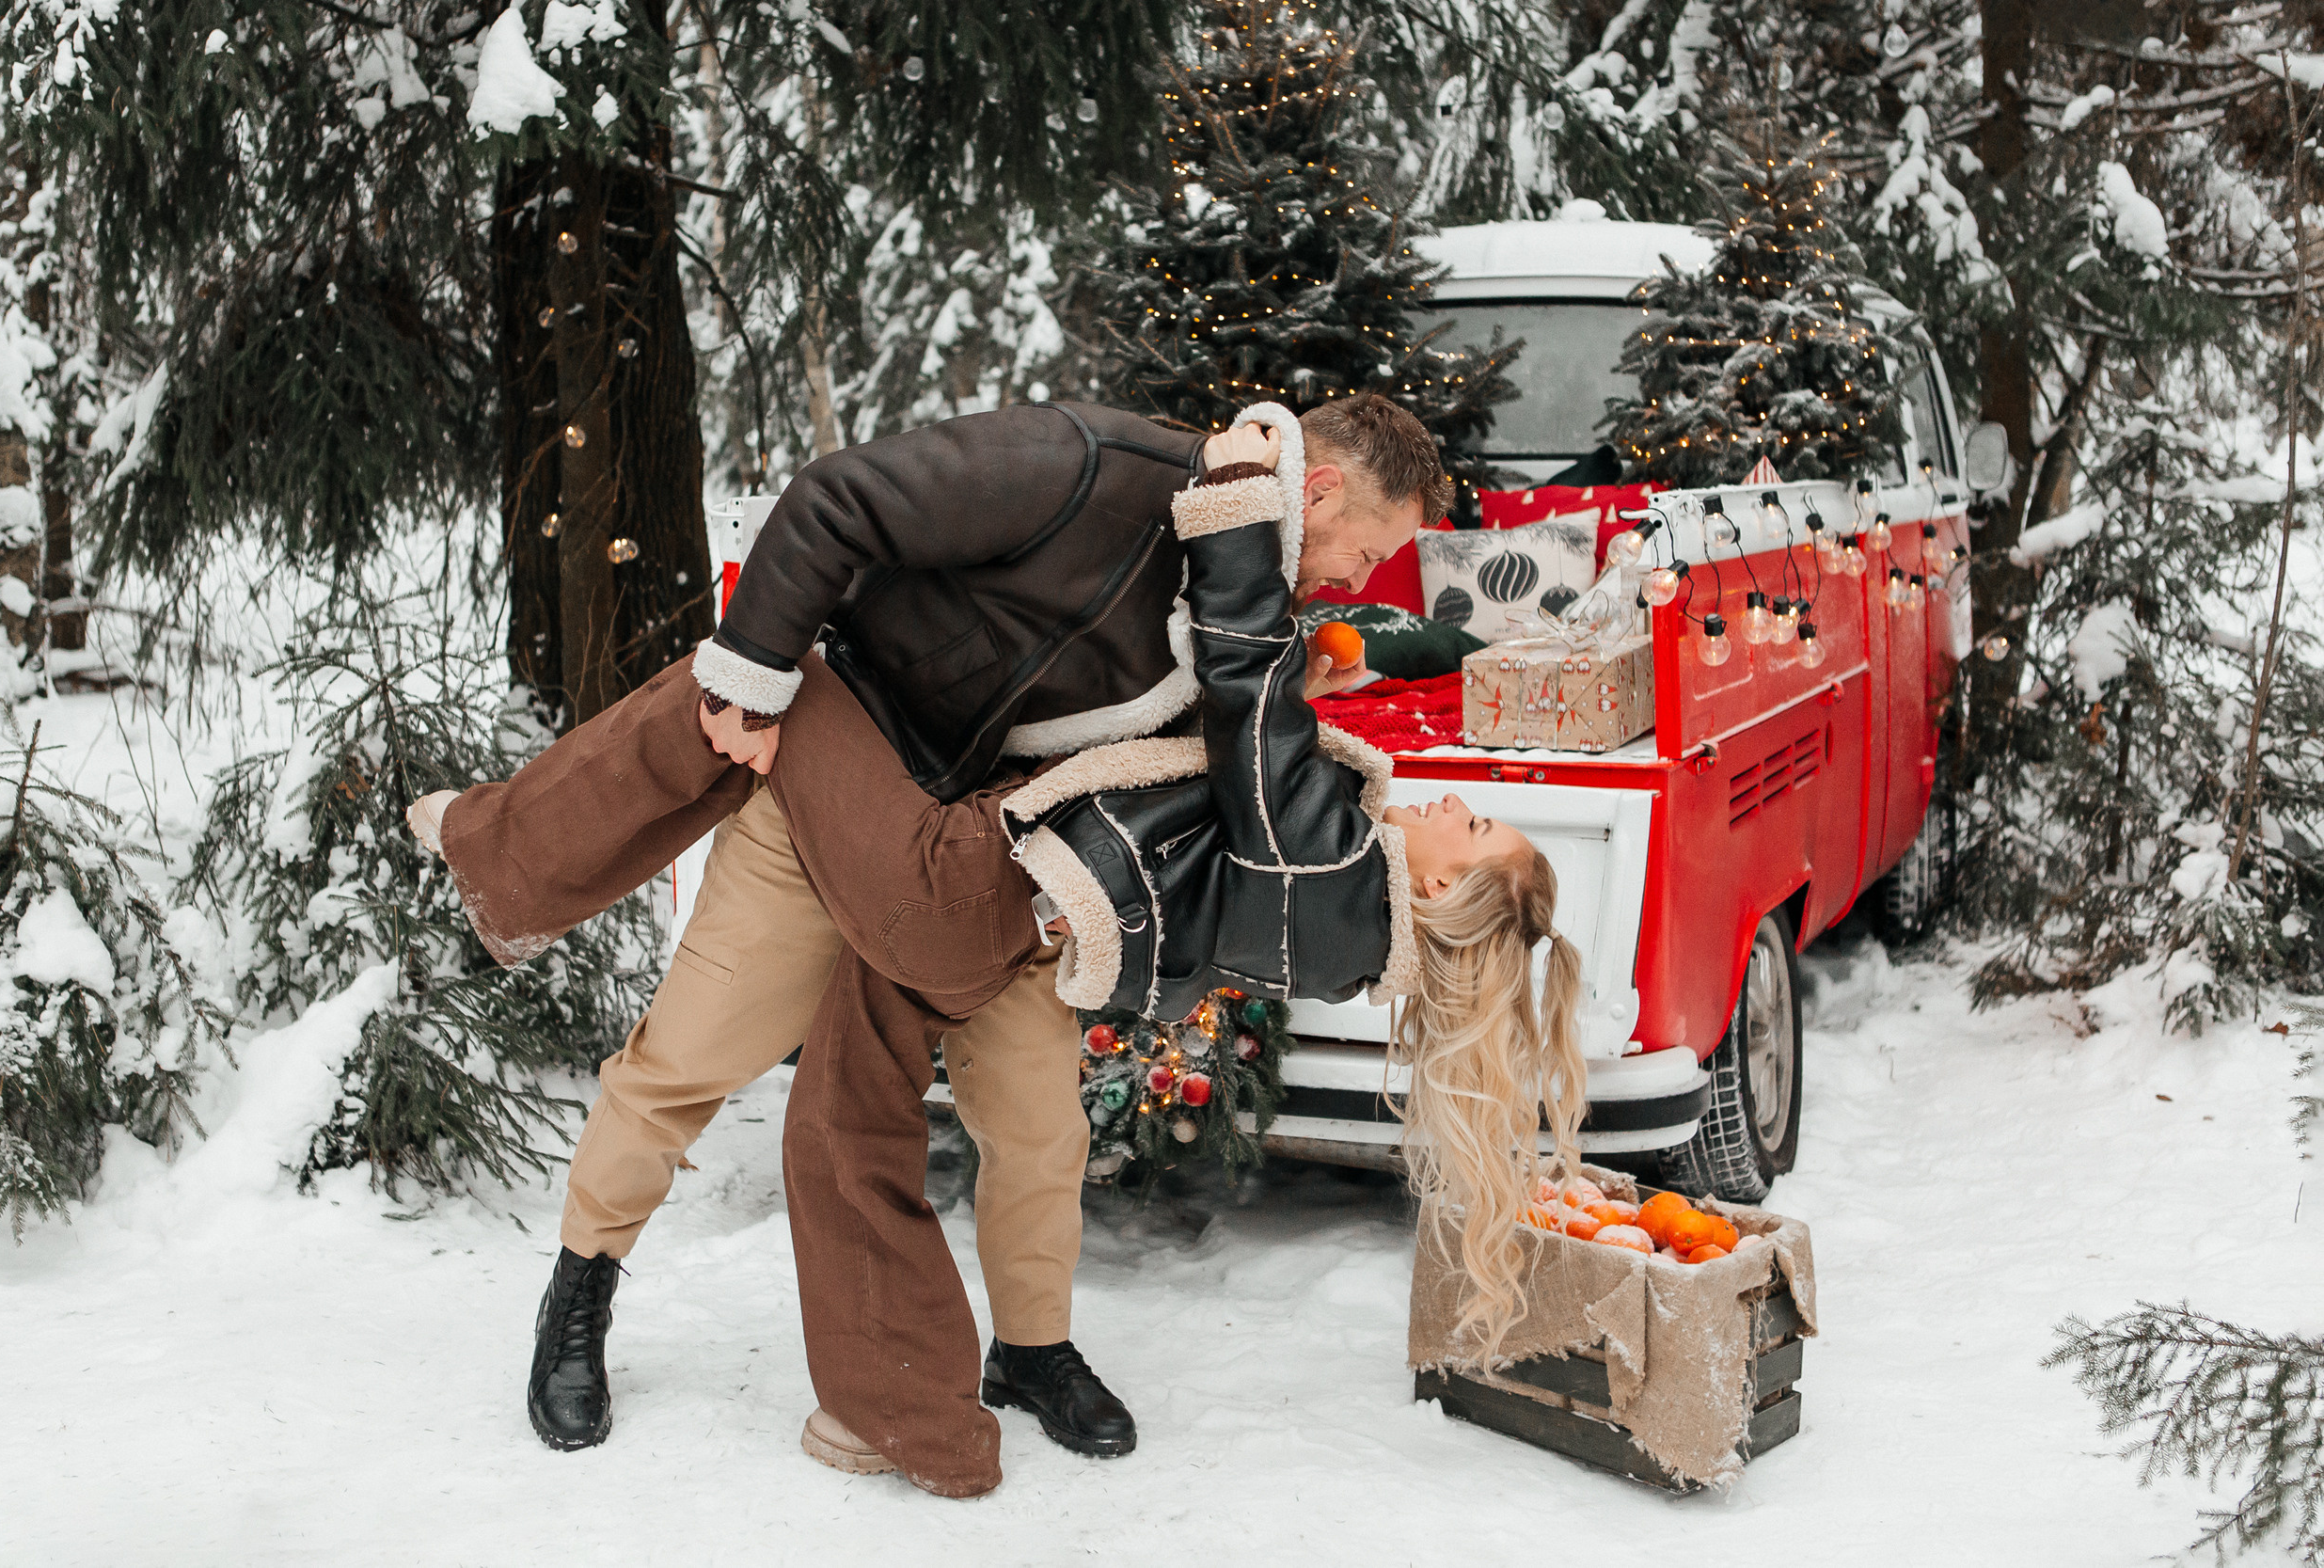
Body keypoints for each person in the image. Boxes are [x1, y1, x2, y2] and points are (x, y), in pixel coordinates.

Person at [410, 394, 1444, 1464]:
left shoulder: (1242, 579)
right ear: (1316, 489)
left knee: (1040, 1126)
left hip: (989, 856)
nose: (1359, 585)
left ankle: (1033, 1347)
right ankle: (578, 1290)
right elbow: (835, 500)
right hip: (832, 790)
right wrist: (753, 679)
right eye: (1365, 553)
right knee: (687, 1060)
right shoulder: (1086, 462)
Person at [736, 409, 1588, 1496]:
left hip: (972, 892)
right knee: (887, 1117)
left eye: (1473, 831)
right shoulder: (1349, 903)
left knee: (764, 703)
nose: (1461, 802)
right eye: (1369, 552)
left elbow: (1246, 694)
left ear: (1436, 888)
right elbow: (1241, 748)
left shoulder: (1329, 869)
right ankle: (943, 1391)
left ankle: (915, 1414)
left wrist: (1235, 516)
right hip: (1015, 905)